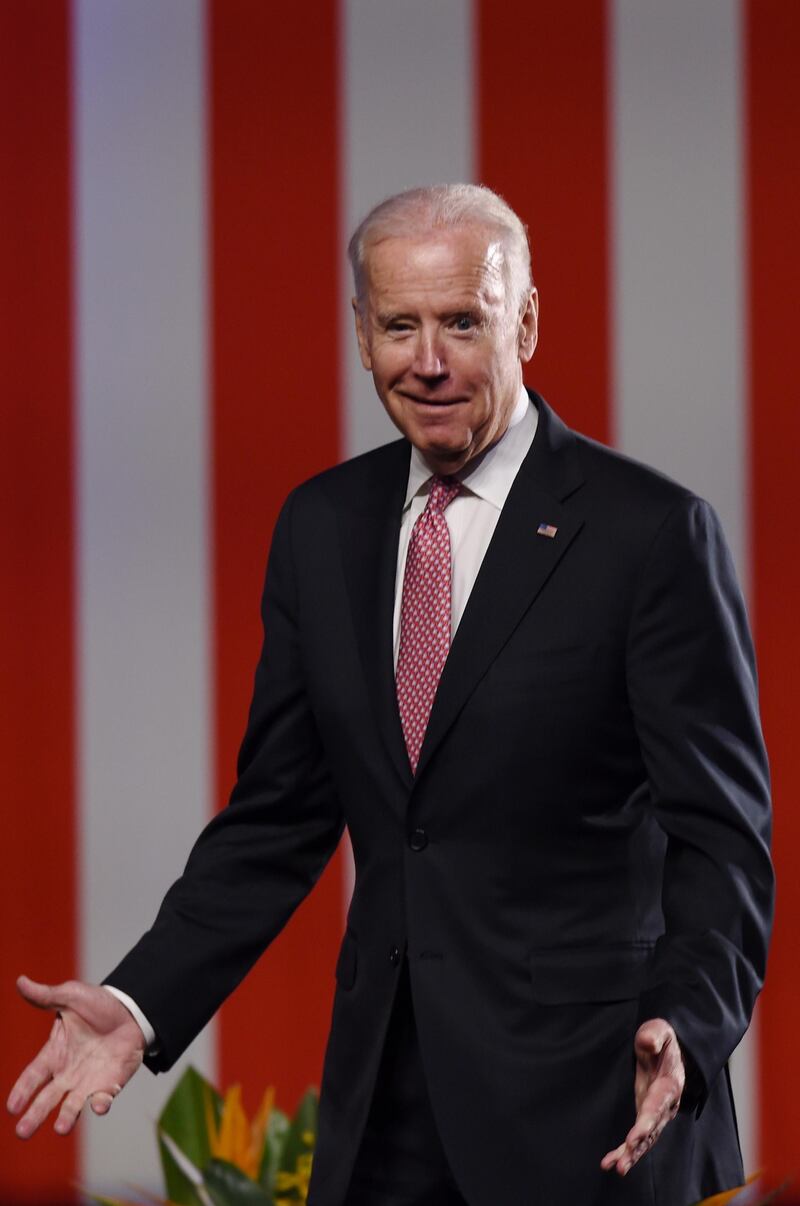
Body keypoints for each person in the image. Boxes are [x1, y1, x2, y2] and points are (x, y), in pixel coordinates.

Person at [8, 184, 773, 1205]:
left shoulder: (649, 535)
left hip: (594, 1104)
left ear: (526, 321)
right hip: (385, 1117)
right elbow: (276, 821)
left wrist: (688, 1018)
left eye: (462, 321)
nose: (428, 361)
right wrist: (141, 1002)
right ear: (360, 334)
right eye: (399, 325)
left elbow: (720, 835)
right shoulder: (322, 527)